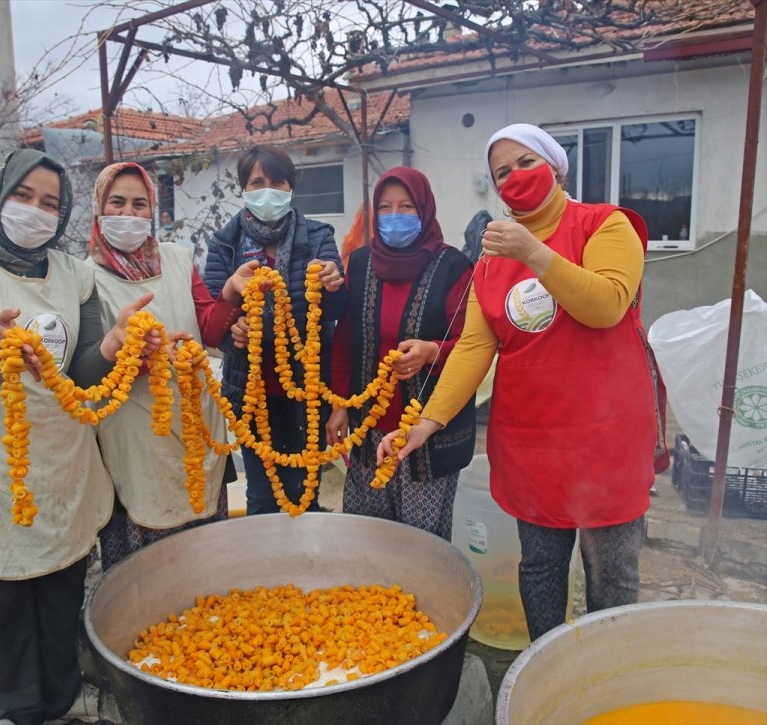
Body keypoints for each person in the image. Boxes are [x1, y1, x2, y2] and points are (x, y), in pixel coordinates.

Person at [379, 123, 668, 640]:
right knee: (539, 566)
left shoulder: (604, 225)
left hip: (608, 438)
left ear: (555, 167)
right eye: (502, 173)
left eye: (526, 163)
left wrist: (534, 252)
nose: (515, 177)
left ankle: (611, 666)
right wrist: (425, 422)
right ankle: (545, 665)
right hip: (533, 441)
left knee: (611, 574)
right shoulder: (492, 259)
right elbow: (474, 347)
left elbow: (606, 305)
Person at [0, 149, 157, 725]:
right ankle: (12, 710)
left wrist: (113, 343)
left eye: (49, 202)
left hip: (59, 459)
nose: (35, 211)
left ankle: (61, 699)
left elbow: (81, 374)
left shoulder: (73, 274)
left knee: (60, 589)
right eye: (23, 196)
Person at [86, 162, 254, 570]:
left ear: (152, 210)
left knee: (203, 553)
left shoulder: (177, 259)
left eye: (139, 204)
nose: (128, 213)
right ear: (99, 208)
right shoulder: (84, 277)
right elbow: (87, 368)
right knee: (146, 565)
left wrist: (231, 291)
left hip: (194, 422)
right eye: (117, 202)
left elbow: (208, 330)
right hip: (134, 429)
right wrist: (145, 355)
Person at [327, 167, 475, 540]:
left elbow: (472, 346)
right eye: (386, 207)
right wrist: (340, 404)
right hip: (368, 430)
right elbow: (345, 337)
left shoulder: (454, 267)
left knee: (420, 542)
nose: (395, 216)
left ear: (424, 209)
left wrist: (432, 351)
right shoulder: (361, 262)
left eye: (406, 207)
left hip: (427, 437)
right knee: (368, 536)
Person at [203, 145, 346, 515]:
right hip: (252, 391)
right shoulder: (225, 243)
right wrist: (233, 333)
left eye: (277, 181)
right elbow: (211, 319)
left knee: (305, 491)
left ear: (291, 187)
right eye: (257, 182)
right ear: (244, 188)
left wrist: (333, 284)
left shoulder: (317, 237)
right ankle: (264, 555)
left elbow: (335, 311)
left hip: (306, 390)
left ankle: (307, 553)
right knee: (262, 495)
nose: (268, 190)